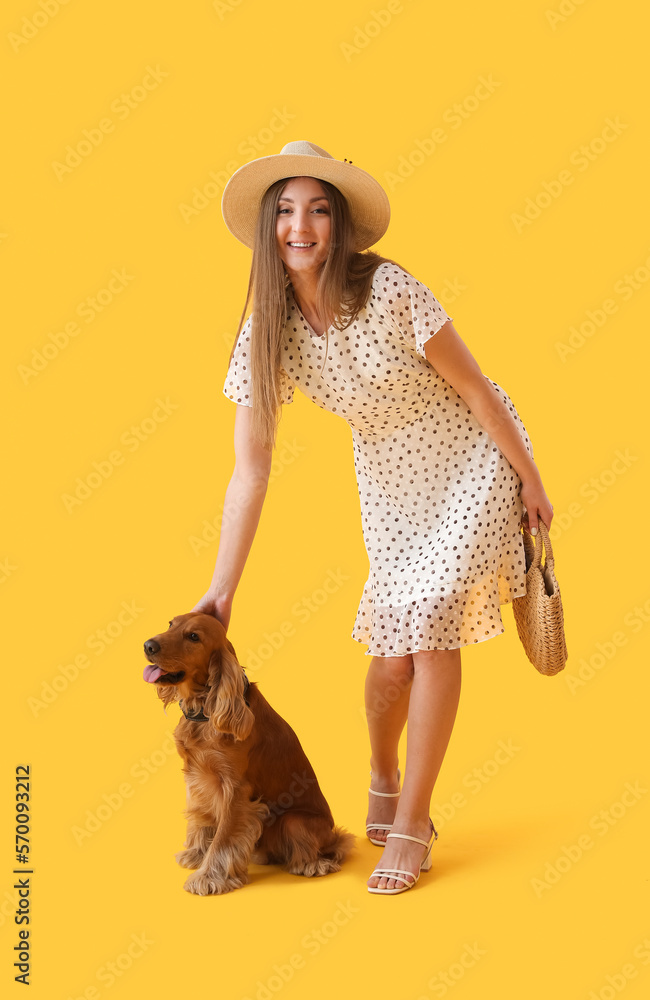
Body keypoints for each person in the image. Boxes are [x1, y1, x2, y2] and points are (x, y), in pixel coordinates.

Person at [192, 140, 554, 895]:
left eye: (318, 210)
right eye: (286, 211)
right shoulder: (267, 328)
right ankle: (384, 769)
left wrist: (530, 480)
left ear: (340, 224)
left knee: (432, 631)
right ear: (268, 228)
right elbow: (249, 470)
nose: (301, 226)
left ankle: (414, 822)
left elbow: (482, 391)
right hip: (391, 482)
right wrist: (220, 592)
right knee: (392, 657)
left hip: (470, 459)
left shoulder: (391, 290)